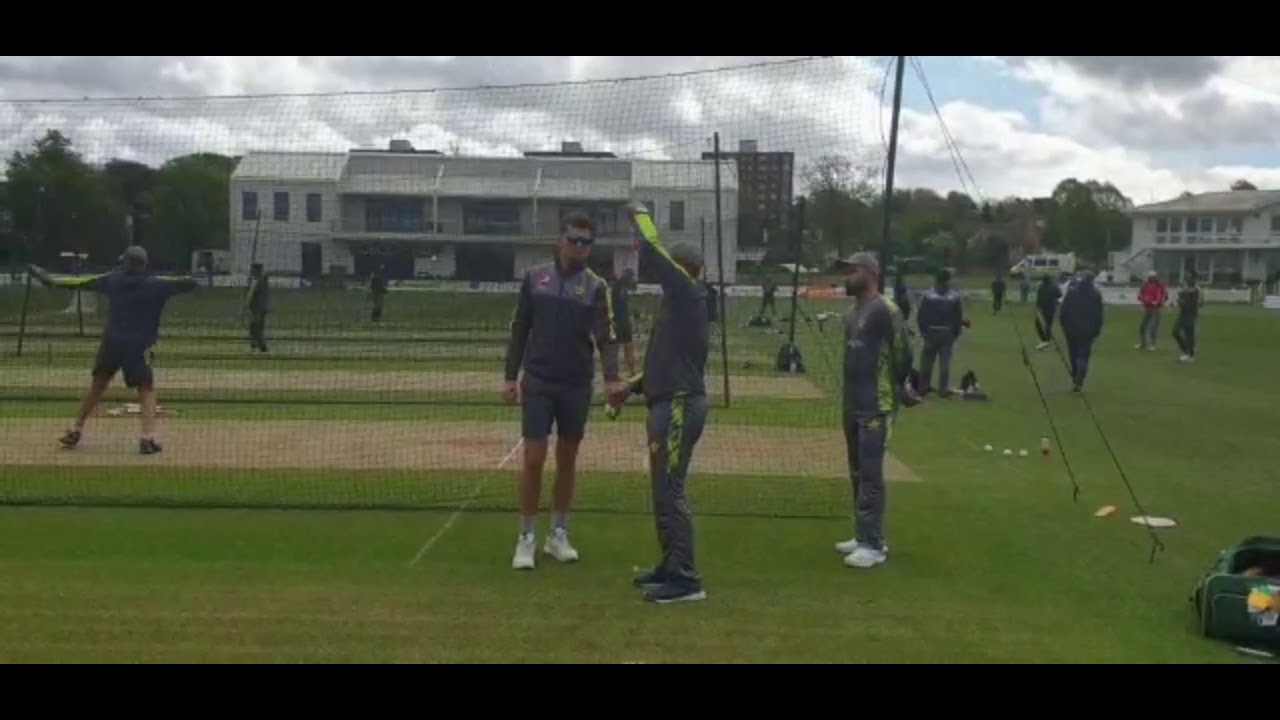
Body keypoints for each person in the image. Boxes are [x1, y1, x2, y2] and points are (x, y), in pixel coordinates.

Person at [503, 211, 623, 570]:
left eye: (587, 242)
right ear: (560, 239)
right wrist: (511, 377)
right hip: (538, 380)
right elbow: (520, 329)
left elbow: (607, 337)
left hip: (576, 383)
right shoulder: (535, 278)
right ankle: (526, 537)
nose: (580, 247)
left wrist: (613, 379)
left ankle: (558, 533)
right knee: (534, 458)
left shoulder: (597, 287)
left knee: (567, 458)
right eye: (574, 239)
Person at [610, 203, 711, 603]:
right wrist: (631, 386)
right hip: (665, 400)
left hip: (680, 405)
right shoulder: (678, 303)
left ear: (683, 267)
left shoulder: (687, 292)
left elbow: (653, 251)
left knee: (670, 491)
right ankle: (670, 566)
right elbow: (664, 362)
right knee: (662, 490)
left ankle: (686, 579)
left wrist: (640, 215)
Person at [58, 245, 198, 454]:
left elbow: (78, 282)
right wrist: (189, 277)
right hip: (138, 346)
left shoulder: (112, 280)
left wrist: (50, 281)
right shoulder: (155, 284)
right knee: (146, 388)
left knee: (98, 385)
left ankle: (76, 428)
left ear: (125, 262)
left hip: (112, 343)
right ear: (145, 264)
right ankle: (147, 437)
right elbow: (189, 284)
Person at [832, 252, 911, 569]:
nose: (845, 277)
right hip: (853, 401)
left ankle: (874, 544)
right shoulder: (853, 314)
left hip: (877, 404)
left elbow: (903, 351)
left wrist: (904, 387)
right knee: (856, 471)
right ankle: (863, 533)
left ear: (869, 273)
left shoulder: (885, 310)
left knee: (870, 473)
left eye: (851, 271)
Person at [915, 269, 965, 396]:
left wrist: (924, 331)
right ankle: (943, 389)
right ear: (948, 280)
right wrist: (955, 333)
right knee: (945, 364)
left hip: (930, 332)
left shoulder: (928, 295)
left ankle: (923, 388)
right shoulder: (954, 296)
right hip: (947, 333)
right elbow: (957, 318)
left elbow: (921, 316)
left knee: (926, 363)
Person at [1058, 268, 1104, 393]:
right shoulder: (1096, 294)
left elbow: (1063, 312)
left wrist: (1064, 326)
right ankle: (1079, 380)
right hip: (1088, 331)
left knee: (1073, 355)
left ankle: (1075, 378)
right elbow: (1099, 315)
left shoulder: (1072, 292)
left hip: (1072, 329)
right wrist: (1097, 330)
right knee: (1083, 356)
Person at [611, 267, 637, 376]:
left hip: (619, 321)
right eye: (631, 277)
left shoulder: (618, 286)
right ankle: (631, 372)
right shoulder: (621, 287)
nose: (632, 280)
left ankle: (624, 372)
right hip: (621, 322)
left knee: (620, 348)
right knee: (626, 347)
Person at [1172, 274, 1203, 362]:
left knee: (1189, 334)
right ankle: (1187, 350)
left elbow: (1191, 306)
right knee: (1175, 332)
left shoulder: (1195, 293)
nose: (1184, 286)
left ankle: (1190, 355)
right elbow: (1181, 303)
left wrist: (1181, 302)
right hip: (1183, 315)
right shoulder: (1183, 293)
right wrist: (1178, 301)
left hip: (1190, 315)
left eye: (1185, 284)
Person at [1135, 271, 1167, 351]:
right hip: (1147, 307)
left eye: (1153, 276)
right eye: (1150, 276)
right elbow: (1140, 294)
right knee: (1142, 326)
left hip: (1156, 308)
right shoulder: (1145, 285)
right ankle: (1143, 343)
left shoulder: (1160, 285)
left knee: (1154, 327)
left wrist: (1159, 302)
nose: (1151, 278)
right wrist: (1143, 300)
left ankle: (1152, 344)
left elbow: (1164, 295)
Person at [1034, 275, 1062, 350]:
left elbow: (1039, 297)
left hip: (1042, 309)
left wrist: (1038, 305)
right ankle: (1046, 340)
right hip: (1051, 309)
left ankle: (1044, 340)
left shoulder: (1041, 287)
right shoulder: (1054, 286)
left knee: (1038, 325)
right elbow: (1060, 295)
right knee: (1048, 325)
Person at [246, 263, 269, 353]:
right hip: (256, 308)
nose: (251, 272)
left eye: (253, 270)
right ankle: (255, 344)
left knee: (256, 327)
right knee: (254, 327)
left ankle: (261, 346)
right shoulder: (258, 280)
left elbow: (254, 295)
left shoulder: (260, 281)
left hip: (258, 308)